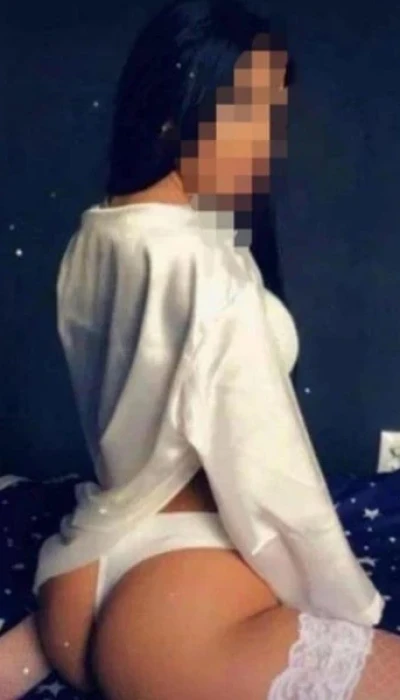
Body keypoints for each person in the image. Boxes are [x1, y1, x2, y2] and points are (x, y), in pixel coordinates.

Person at [2, 1, 400, 698]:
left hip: (80, 569)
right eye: (244, 111)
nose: (265, 142)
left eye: (273, 116)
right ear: (172, 110)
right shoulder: (207, 265)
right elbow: (266, 472)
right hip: (175, 596)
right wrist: (345, 600)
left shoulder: (96, 235)